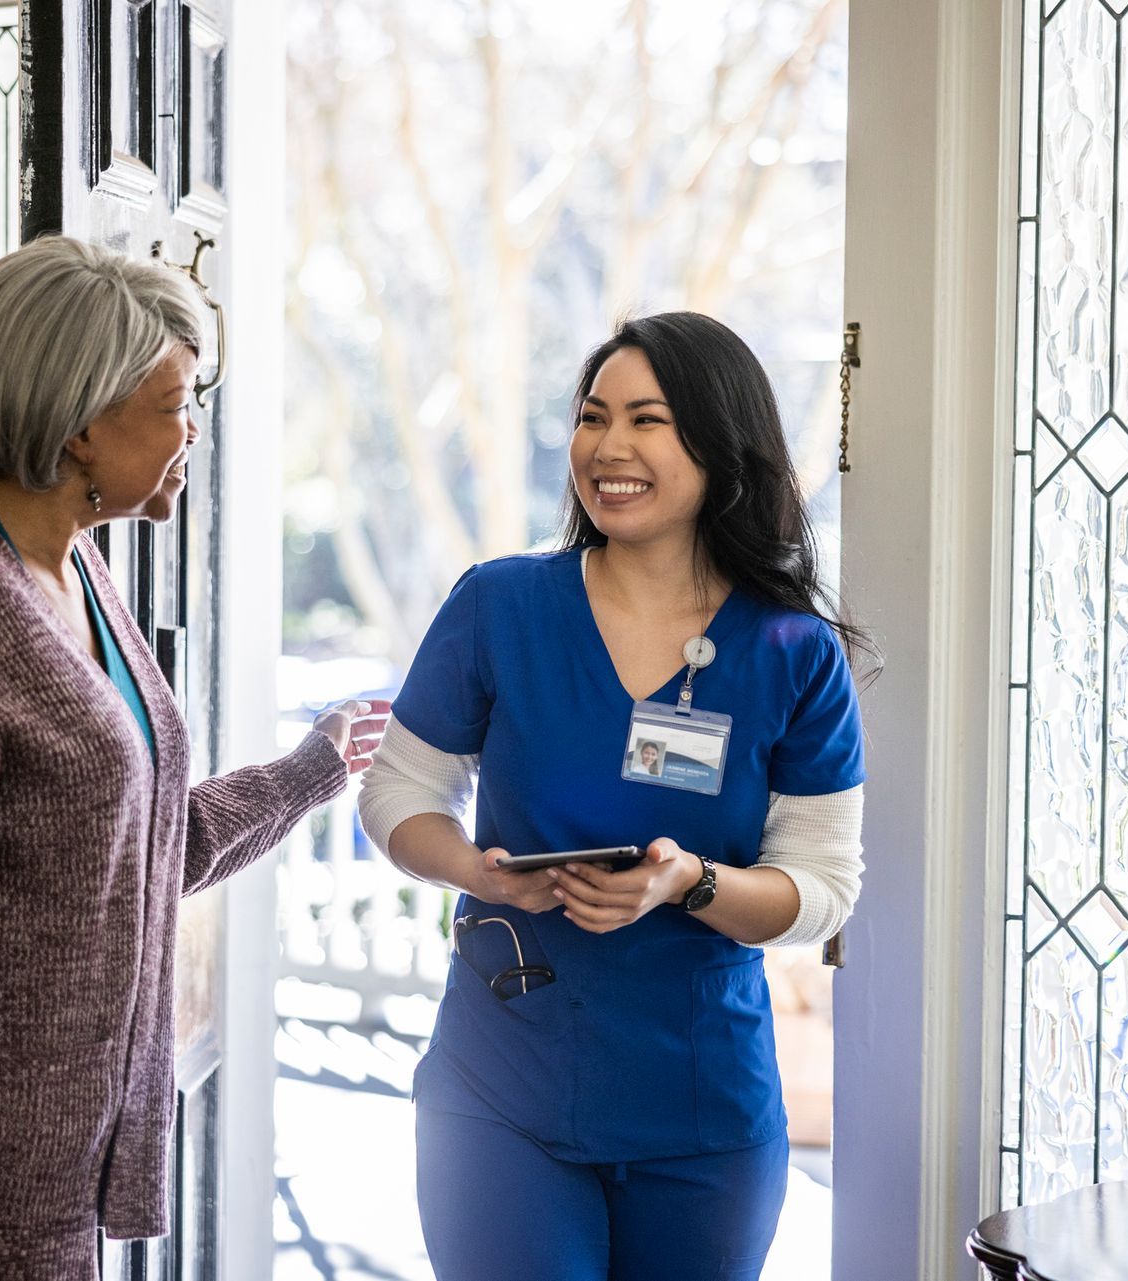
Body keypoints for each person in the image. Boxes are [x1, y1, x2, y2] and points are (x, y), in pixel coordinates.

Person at [0, 235, 388, 1281]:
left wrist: (312, 771)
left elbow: (122, 862)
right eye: (178, 402)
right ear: (83, 422)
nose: (194, 431)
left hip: (38, 1202)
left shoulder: (69, 569)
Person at [357, 312, 869, 1281]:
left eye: (648, 420)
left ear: (721, 449)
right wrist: (477, 870)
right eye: (594, 418)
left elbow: (822, 888)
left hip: (702, 1110)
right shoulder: (499, 607)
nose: (609, 447)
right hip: (501, 1092)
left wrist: (689, 882)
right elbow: (399, 793)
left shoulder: (793, 654)